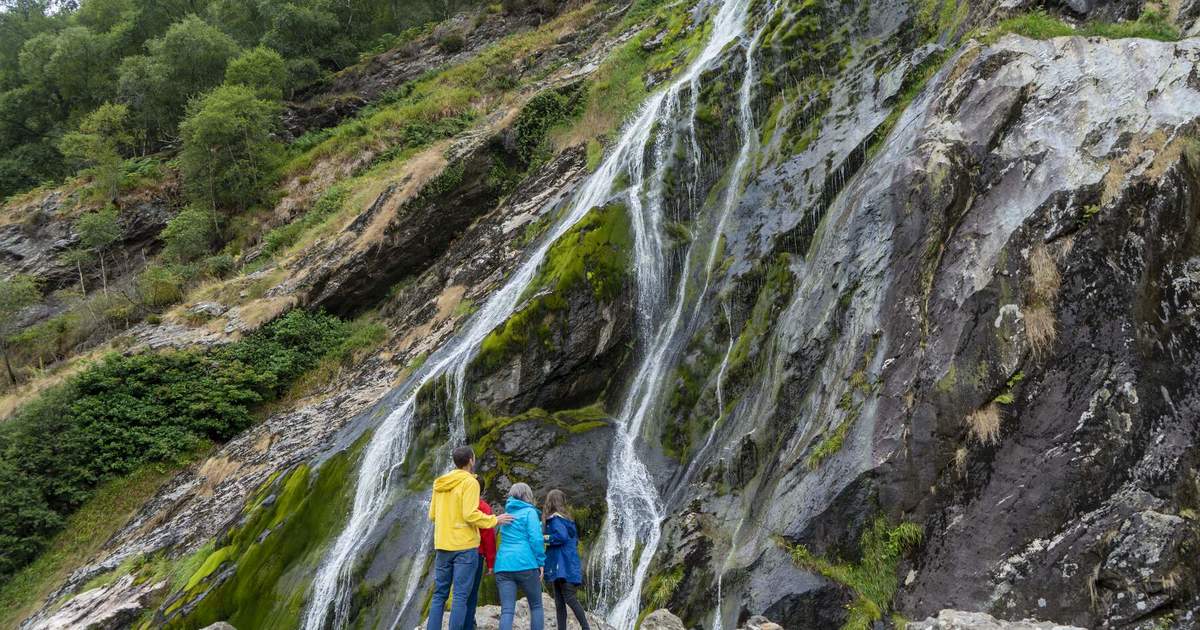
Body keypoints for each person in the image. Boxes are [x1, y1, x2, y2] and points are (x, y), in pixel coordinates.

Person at [426, 446, 513, 630]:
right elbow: (469, 514)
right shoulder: (470, 483)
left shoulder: (440, 483)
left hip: (442, 544)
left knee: (439, 594)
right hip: (464, 547)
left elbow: (433, 515)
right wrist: (494, 519)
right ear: (471, 460)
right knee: (460, 596)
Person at [494, 482, 545, 630]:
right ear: (527, 495)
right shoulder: (530, 513)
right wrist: (541, 561)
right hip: (526, 564)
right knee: (536, 606)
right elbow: (536, 539)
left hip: (503, 565)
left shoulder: (505, 514)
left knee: (507, 610)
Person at [543, 489, 589, 630]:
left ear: (550, 502)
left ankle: (586, 627)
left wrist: (546, 538)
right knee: (560, 600)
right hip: (565, 565)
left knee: (568, 597)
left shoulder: (555, 520)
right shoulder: (566, 519)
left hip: (562, 566)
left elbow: (561, 537)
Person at [464, 477, 497, 630]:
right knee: (472, 592)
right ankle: (469, 624)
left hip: (456, 551)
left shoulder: (460, 504)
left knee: (460, 592)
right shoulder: (483, 507)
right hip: (476, 554)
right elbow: (488, 536)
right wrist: (491, 563)